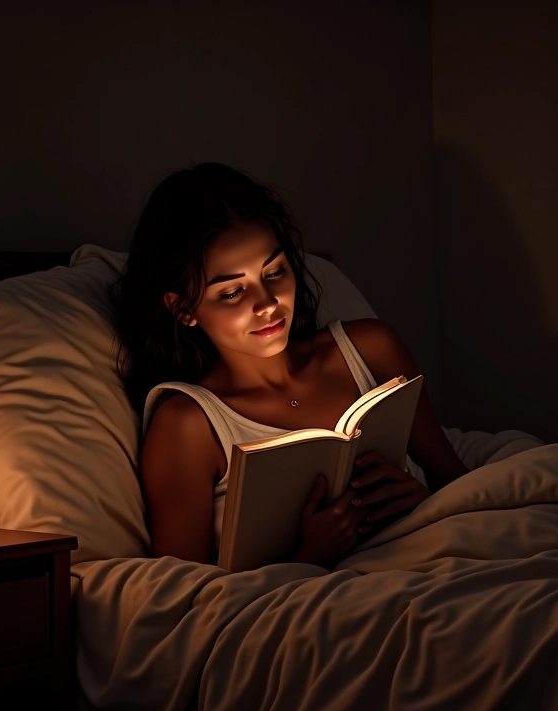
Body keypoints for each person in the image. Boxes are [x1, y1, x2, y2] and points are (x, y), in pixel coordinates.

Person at [114, 162, 468, 567]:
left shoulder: (371, 348)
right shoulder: (189, 425)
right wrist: (309, 556)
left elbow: (458, 485)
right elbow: (186, 597)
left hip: (433, 561)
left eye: (275, 272)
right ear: (183, 310)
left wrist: (421, 502)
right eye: (231, 292)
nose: (266, 303)